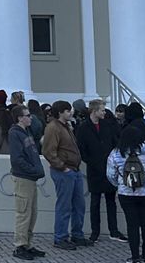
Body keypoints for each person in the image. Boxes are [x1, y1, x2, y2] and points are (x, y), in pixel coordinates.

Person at [107, 125, 145, 263]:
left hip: (126, 194)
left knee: (132, 225)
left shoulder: (116, 153)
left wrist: (121, 185)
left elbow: (110, 175)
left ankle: (135, 257)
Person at [42, 100, 89, 250]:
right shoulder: (53, 128)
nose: (70, 113)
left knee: (78, 205)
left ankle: (77, 234)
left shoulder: (66, 126)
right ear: (60, 112)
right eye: (67, 111)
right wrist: (62, 167)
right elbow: (48, 151)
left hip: (73, 170)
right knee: (64, 205)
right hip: (64, 171)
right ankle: (60, 237)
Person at [76, 99, 125, 242]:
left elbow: (115, 142)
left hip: (109, 168)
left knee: (111, 200)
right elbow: (82, 149)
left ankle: (113, 230)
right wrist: (92, 162)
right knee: (95, 201)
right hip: (94, 169)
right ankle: (95, 231)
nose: (104, 112)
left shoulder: (107, 125)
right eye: (102, 110)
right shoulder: (84, 128)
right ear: (94, 111)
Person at [9, 104, 47, 260]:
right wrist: (33, 170)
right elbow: (17, 159)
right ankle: (20, 245)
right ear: (20, 118)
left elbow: (39, 126)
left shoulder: (27, 131)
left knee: (32, 213)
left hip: (30, 178)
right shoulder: (15, 133)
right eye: (27, 115)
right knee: (23, 213)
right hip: (23, 178)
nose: (30, 117)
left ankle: (28, 244)